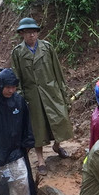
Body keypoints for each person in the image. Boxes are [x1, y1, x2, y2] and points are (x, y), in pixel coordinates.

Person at [10, 18, 74, 175]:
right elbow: (16, 77)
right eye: (27, 32)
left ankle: (57, 146)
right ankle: (40, 160)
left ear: (37, 33)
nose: (31, 35)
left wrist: (63, 92)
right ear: (22, 34)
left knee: (61, 119)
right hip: (32, 96)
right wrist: (21, 97)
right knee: (37, 128)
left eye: (34, 32)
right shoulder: (18, 53)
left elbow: (58, 72)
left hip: (51, 91)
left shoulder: (47, 48)